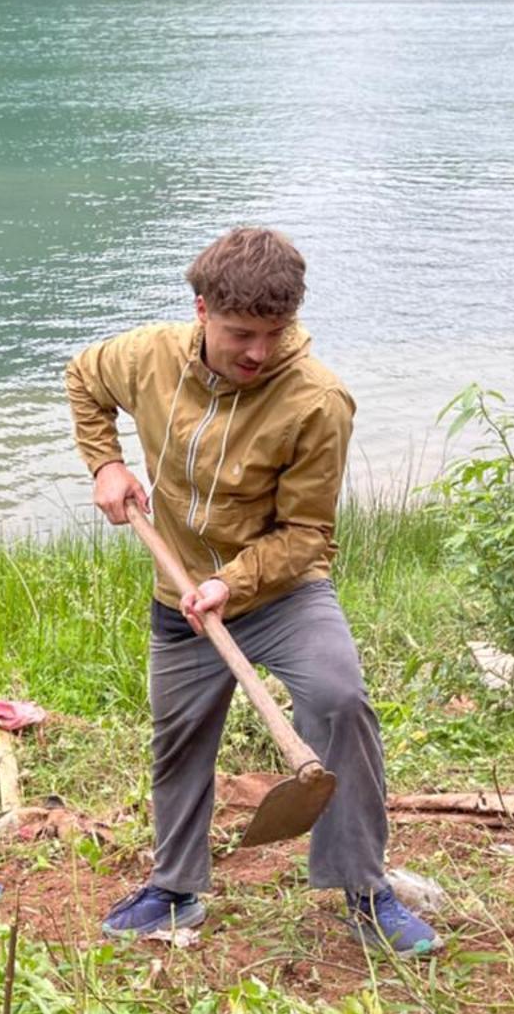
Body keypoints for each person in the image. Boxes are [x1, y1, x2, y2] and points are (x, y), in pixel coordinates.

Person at [65, 225, 438, 958]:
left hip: (282, 595)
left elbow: (307, 536)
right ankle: (174, 889)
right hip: (181, 601)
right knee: (179, 740)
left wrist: (228, 583)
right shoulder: (145, 357)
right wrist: (104, 465)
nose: (258, 352)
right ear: (201, 311)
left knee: (340, 700)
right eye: (241, 333)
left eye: (275, 332)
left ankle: (364, 889)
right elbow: (83, 377)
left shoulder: (317, 401)